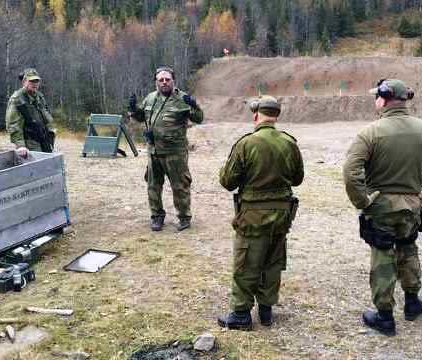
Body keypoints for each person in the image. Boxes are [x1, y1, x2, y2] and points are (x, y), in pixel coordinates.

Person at [343, 79, 422, 336]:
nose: (375, 101)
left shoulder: (370, 133)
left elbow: (351, 173)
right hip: (412, 205)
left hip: (381, 206)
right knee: (408, 248)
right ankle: (412, 303)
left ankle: (385, 316)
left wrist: (362, 201)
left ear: (384, 99)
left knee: (383, 255)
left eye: (377, 97)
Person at [217, 95, 304, 330]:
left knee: (246, 264)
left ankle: (241, 314)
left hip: (253, 216)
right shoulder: (289, 142)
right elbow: (298, 179)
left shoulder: (246, 143)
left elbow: (228, 182)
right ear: (275, 116)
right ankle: (266, 312)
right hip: (282, 215)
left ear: (256, 115)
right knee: (273, 262)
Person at [129, 66, 204, 232]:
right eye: (161, 80)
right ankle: (157, 217)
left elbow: (199, 119)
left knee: (180, 186)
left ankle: (184, 217)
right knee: (153, 186)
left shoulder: (182, 98)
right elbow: (141, 117)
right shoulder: (150, 98)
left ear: (173, 81)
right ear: (156, 82)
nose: (164, 82)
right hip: (153, 151)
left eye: (167, 79)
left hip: (175, 153)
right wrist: (133, 110)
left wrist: (195, 106)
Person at [6, 68, 56, 157]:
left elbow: (46, 115)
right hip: (30, 141)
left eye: (37, 81)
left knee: (47, 165)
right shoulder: (18, 99)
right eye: (31, 81)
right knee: (36, 167)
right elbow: (13, 124)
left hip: (44, 139)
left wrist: (51, 131)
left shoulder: (39, 97)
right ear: (24, 81)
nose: (35, 84)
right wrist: (20, 145)